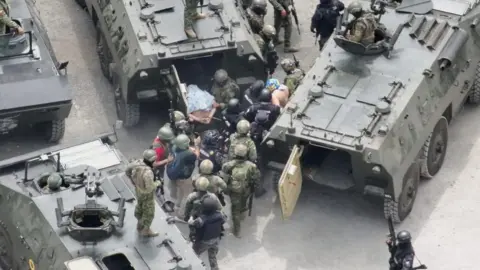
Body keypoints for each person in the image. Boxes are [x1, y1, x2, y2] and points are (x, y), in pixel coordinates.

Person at [221, 144, 260, 238]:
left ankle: (237, 231)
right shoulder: (252, 166)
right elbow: (257, 177)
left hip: (234, 191)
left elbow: (223, 175)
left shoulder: (228, 165)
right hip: (246, 189)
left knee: (235, 211)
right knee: (243, 202)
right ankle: (243, 209)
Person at [125, 149, 162, 237]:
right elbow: (149, 188)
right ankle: (146, 231)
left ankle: (139, 225)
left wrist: (133, 182)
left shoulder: (137, 163)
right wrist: (158, 183)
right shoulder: (148, 173)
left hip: (138, 190)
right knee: (149, 213)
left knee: (140, 206)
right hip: (147, 194)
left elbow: (127, 171)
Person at [166, 134, 200, 217]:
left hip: (175, 175)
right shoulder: (189, 155)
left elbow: (185, 150)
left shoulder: (174, 147)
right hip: (184, 178)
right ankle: (182, 214)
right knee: (187, 195)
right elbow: (197, 155)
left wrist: (189, 149)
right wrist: (196, 145)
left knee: (181, 191)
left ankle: (177, 205)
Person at [188, 196, 226, 270]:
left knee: (193, 254)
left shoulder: (201, 220)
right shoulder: (220, 215)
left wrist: (191, 220)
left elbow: (193, 224)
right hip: (216, 239)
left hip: (204, 241)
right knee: (212, 256)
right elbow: (224, 220)